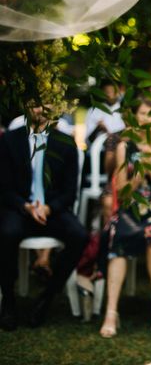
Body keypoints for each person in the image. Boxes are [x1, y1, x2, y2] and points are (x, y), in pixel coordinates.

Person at [99, 98, 151, 338]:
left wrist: (150, 169)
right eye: (143, 113)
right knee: (118, 233)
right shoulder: (126, 147)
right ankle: (111, 311)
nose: (147, 118)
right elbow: (123, 194)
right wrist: (138, 171)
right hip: (131, 209)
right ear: (136, 117)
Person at [0, 104, 88, 331]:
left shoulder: (66, 142)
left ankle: (47, 297)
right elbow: (4, 186)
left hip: (53, 210)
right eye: (36, 104)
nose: (41, 110)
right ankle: (8, 300)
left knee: (79, 235)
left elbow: (70, 192)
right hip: (20, 208)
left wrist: (49, 208)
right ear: (27, 106)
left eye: (47, 106)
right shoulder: (10, 140)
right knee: (6, 233)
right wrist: (25, 206)